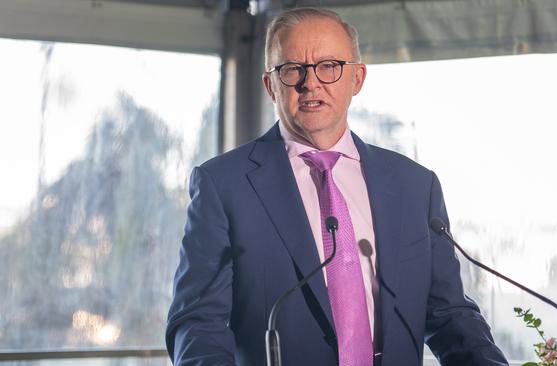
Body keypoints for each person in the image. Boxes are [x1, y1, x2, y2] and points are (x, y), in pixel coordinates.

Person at [166, 7, 508, 366]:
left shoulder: (415, 187)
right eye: (292, 68)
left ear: (357, 79)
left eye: (329, 66)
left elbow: (449, 316)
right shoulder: (224, 185)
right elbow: (197, 323)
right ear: (270, 85)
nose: (310, 83)